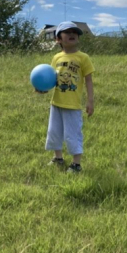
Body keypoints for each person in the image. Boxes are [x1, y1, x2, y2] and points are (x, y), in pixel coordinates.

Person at [41, 21, 94, 173]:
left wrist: (90, 101)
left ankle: (76, 164)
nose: (72, 34)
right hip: (56, 103)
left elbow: (89, 80)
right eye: (68, 32)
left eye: (75, 32)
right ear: (58, 39)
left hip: (72, 105)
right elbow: (51, 78)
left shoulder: (83, 57)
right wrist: (42, 88)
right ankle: (58, 158)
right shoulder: (56, 57)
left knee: (73, 133)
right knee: (54, 132)